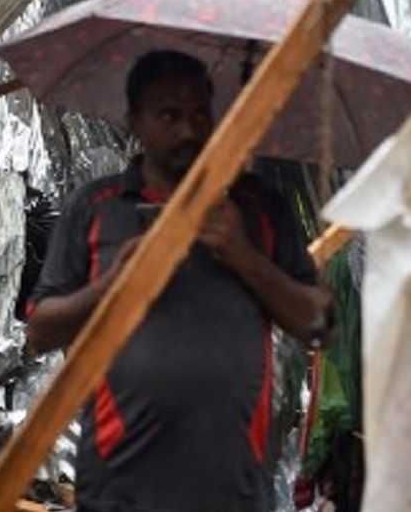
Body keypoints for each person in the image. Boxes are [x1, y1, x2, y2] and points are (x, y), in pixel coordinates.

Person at [25, 50, 332, 512]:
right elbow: (40, 332)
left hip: (234, 491)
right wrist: (110, 287)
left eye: (198, 114)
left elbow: (317, 322)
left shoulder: (257, 209)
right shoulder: (96, 207)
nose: (188, 130)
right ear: (134, 121)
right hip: (119, 489)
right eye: (169, 115)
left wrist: (242, 254)